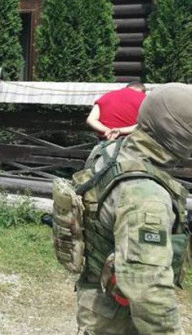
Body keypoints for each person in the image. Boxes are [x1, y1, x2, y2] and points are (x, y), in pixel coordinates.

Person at [76, 83, 192, 334]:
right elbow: (149, 292)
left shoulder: (108, 151)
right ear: (180, 137)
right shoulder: (146, 195)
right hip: (121, 321)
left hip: (96, 306)